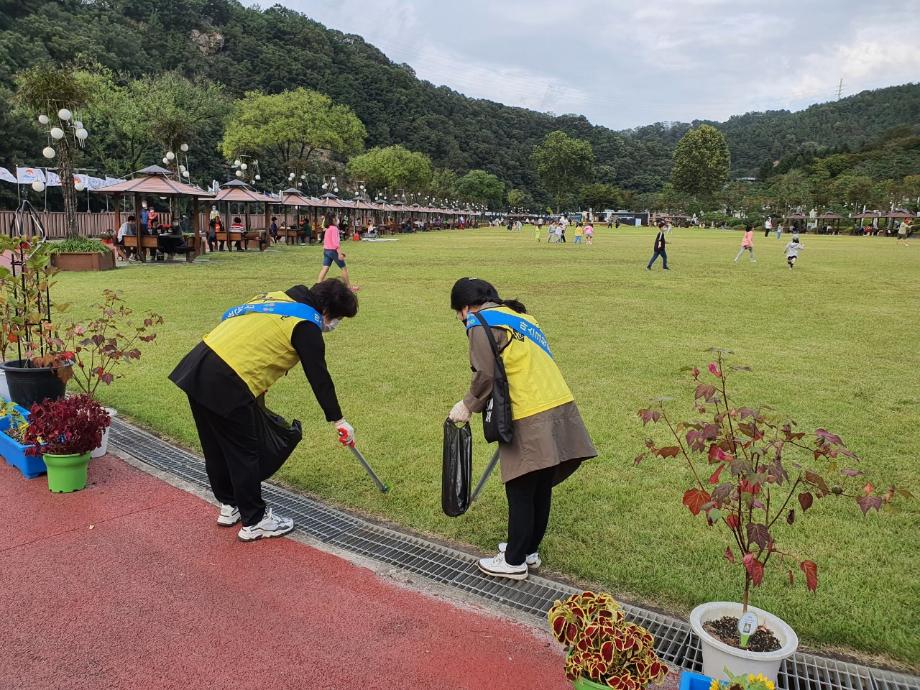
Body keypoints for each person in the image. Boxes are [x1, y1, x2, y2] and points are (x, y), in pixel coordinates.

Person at [169, 279, 359, 541]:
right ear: (326, 309)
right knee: (244, 450)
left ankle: (229, 505)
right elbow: (319, 377)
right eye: (337, 318)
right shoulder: (306, 326)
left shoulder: (275, 297)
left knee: (214, 444)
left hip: (199, 364)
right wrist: (338, 419)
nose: (334, 325)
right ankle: (255, 520)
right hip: (228, 378)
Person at [447, 278, 596, 580]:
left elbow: (485, 375)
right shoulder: (522, 317)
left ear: (465, 307)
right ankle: (528, 551)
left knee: (521, 487)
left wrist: (467, 405)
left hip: (529, 412)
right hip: (559, 404)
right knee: (540, 485)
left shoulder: (478, 322)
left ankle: (514, 560)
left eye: (457, 314)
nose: (460, 320)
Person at [317, 214, 356, 289]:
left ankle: (317, 285)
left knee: (325, 268)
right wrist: (339, 253)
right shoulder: (334, 229)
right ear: (333, 219)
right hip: (333, 251)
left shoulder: (327, 229)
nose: (337, 219)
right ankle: (348, 287)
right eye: (336, 218)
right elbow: (336, 243)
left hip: (326, 250)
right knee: (344, 269)